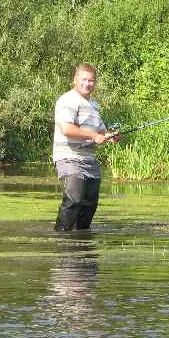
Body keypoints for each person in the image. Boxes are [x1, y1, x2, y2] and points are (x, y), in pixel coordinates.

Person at [52, 63, 120, 231]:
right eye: (84, 79)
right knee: (73, 200)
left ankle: (81, 238)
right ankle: (61, 236)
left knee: (90, 205)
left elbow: (101, 131)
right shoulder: (68, 100)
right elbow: (67, 129)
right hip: (69, 158)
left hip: (89, 160)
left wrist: (111, 136)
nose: (87, 84)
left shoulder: (94, 105)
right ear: (75, 80)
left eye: (91, 80)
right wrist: (93, 136)